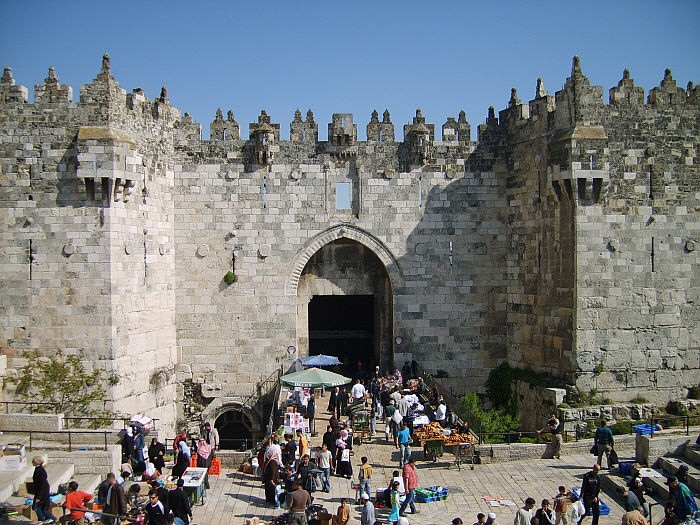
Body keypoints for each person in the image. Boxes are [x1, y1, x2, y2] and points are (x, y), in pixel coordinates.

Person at [32, 456, 54, 524]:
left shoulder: (40, 471)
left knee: (37, 507)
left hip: (42, 493)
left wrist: (39, 497)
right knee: (38, 507)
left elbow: (42, 485)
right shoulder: (39, 469)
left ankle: (49, 519)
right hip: (41, 492)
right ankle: (42, 520)